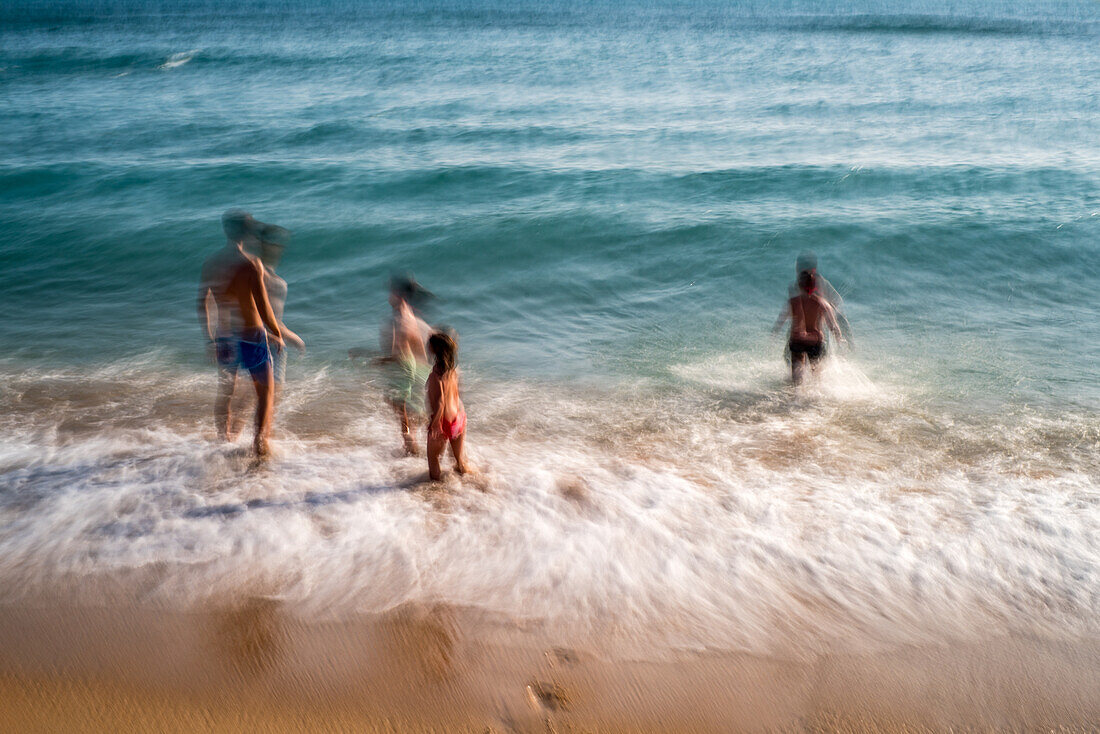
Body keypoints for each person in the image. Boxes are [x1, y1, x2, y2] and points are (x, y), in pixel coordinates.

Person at [197, 210, 284, 456]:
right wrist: (276, 332)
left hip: (225, 336)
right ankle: (259, 444)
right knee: (266, 392)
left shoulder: (211, 263)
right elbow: (264, 306)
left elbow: (202, 301)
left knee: (225, 391)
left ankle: (223, 442)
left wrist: (209, 338)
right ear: (245, 233)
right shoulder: (251, 264)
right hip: (251, 336)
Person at [376, 274, 432, 456]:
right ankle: (416, 457)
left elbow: (397, 353)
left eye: (390, 292)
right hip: (422, 369)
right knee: (412, 416)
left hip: (407, 369)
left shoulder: (399, 319)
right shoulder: (412, 317)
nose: (388, 296)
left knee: (402, 415)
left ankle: (411, 453)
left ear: (397, 294)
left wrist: (376, 361)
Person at [257, 224, 306, 405]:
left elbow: (271, 318)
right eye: (277, 243)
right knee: (270, 395)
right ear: (265, 244)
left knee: (263, 396)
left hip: (260, 340)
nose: (281, 248)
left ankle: (242, 432)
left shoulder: (261, 275)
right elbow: (268, 319)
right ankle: (257, 433)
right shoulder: (267, 278)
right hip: (267, 342)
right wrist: (292, 338)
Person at [776, 269, 845, 384]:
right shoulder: (822, 303)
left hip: (798, 340)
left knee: (796, 380)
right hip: (815, 341)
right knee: (816, 378)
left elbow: (781, 321)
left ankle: (794, 400)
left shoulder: (793, 302)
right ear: (815, 286)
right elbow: (833, 326)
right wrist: (839, 339)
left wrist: (775, 332)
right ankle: (814, 400)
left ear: (799, 285)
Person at [777, 251, 853, 345]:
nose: (797, 269)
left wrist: (828, 312)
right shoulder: (796, 286)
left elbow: (837, 304)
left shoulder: (820, 283)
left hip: (814, 329)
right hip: (809, 331)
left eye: (798, 267)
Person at [425, 331, 470, 480]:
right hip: (458, 419)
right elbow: (456, 396)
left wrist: (436, 424)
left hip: (442, 422)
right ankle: (475, 485)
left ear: (435, 349)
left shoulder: (435, 375)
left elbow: (440, 401)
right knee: (459, 462)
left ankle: (437, 495)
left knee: (433, 460)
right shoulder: (452, 372)